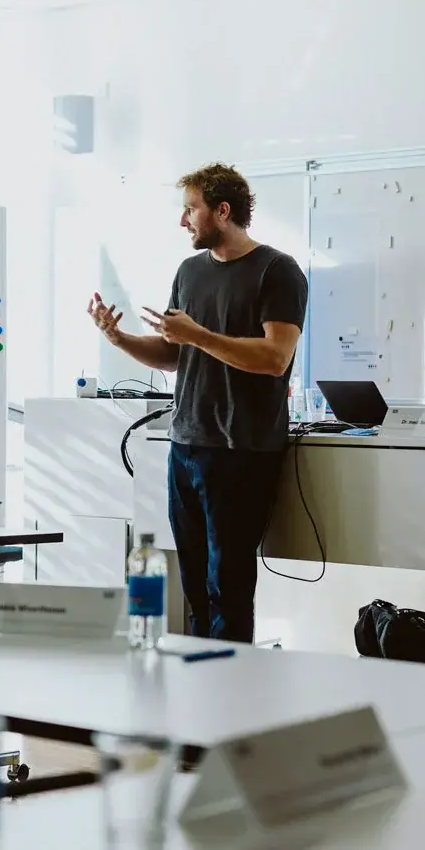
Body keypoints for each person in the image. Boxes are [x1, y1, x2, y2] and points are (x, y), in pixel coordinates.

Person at [88, 163, 306, 642]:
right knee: (192, 585)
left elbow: (274, 358)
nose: (183, 221)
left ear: (222, 212)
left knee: (226, 585)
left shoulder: (277, 270)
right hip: (186, 445)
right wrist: (118, 337)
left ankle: (230, 694)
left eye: (191, 210)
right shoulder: (189, 271)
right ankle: (199, 685)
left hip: (242, 450)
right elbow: (172, 356)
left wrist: (199, 335)